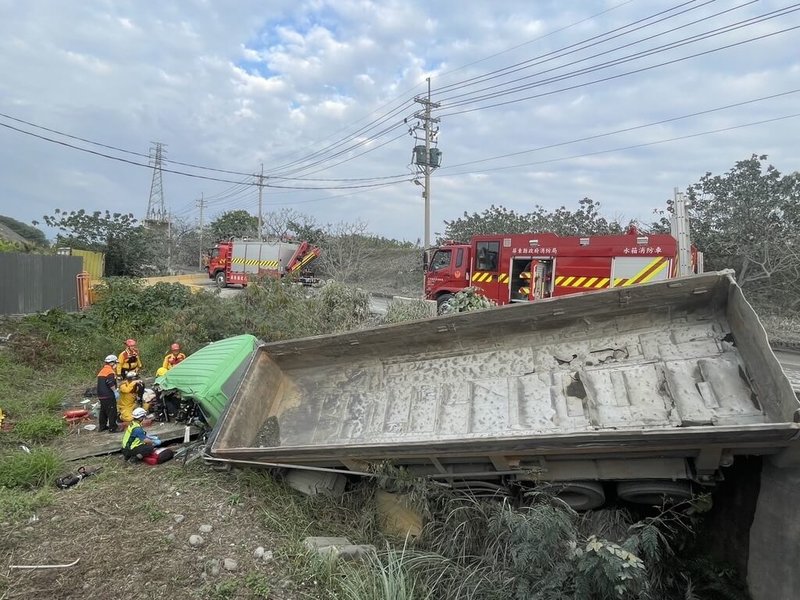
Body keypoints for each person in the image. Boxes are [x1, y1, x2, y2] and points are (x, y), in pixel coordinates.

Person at [97, 355, 119, 433]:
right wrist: (115, 391)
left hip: (101, 395)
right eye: (116, 363)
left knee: (103, 411)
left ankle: (102, 427)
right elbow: (110, 382)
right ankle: (113, 428)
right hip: (108, 395)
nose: (116, 365)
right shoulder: (110, 371)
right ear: (112, 363)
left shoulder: (102, 371)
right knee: (112, 411)